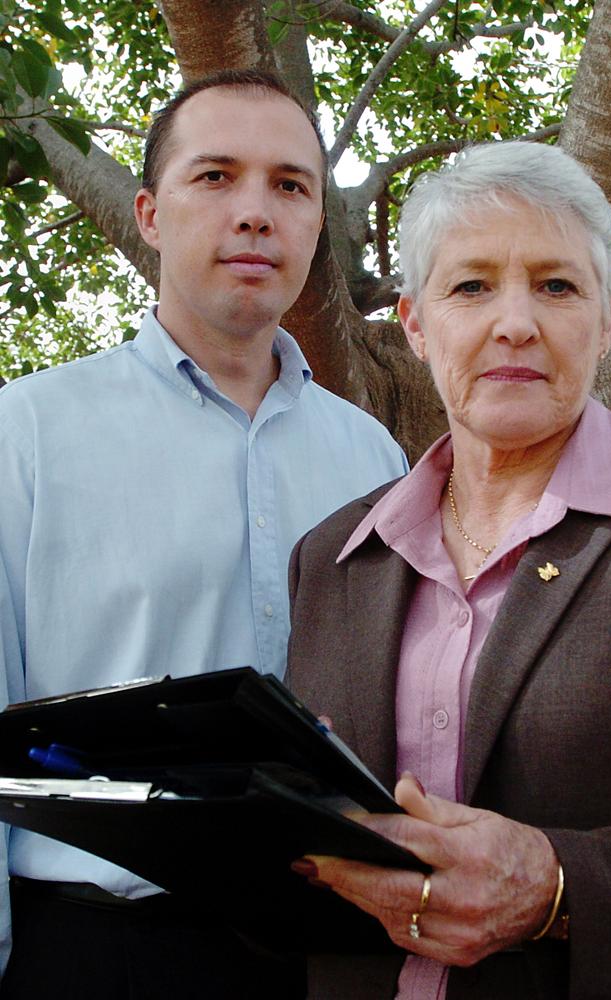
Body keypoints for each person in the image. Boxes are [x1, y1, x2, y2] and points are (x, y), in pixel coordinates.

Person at [0, 70, 408, 997]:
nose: (256, 213)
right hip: (100, 951)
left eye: (290, 186)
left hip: (332, 948)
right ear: (148, 212)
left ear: (315, 228)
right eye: (215, 176)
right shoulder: (24, 434)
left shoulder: (375, 457)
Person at [286, 140, 611, 999]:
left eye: (558, 286)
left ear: (606, 322)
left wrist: (559, 886)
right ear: (415, 324)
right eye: (472, 285)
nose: (514, 321)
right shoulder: (334, 556)